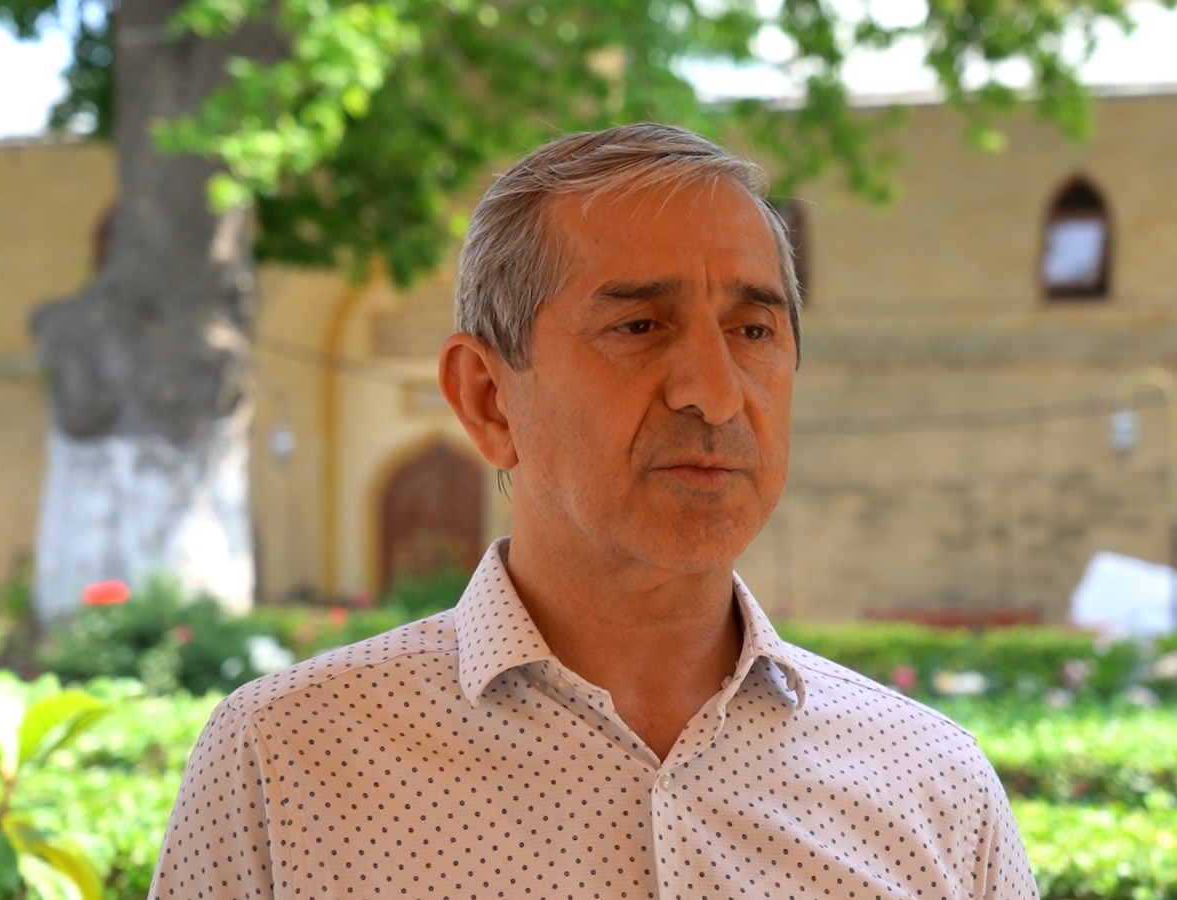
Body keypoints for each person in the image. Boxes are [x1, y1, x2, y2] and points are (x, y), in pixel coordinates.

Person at [148, 123, 1037, 899]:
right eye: (639, 327)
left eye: (753, 331)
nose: (715, 392)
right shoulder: (286, 764)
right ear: (488, 398)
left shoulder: (934, 785)